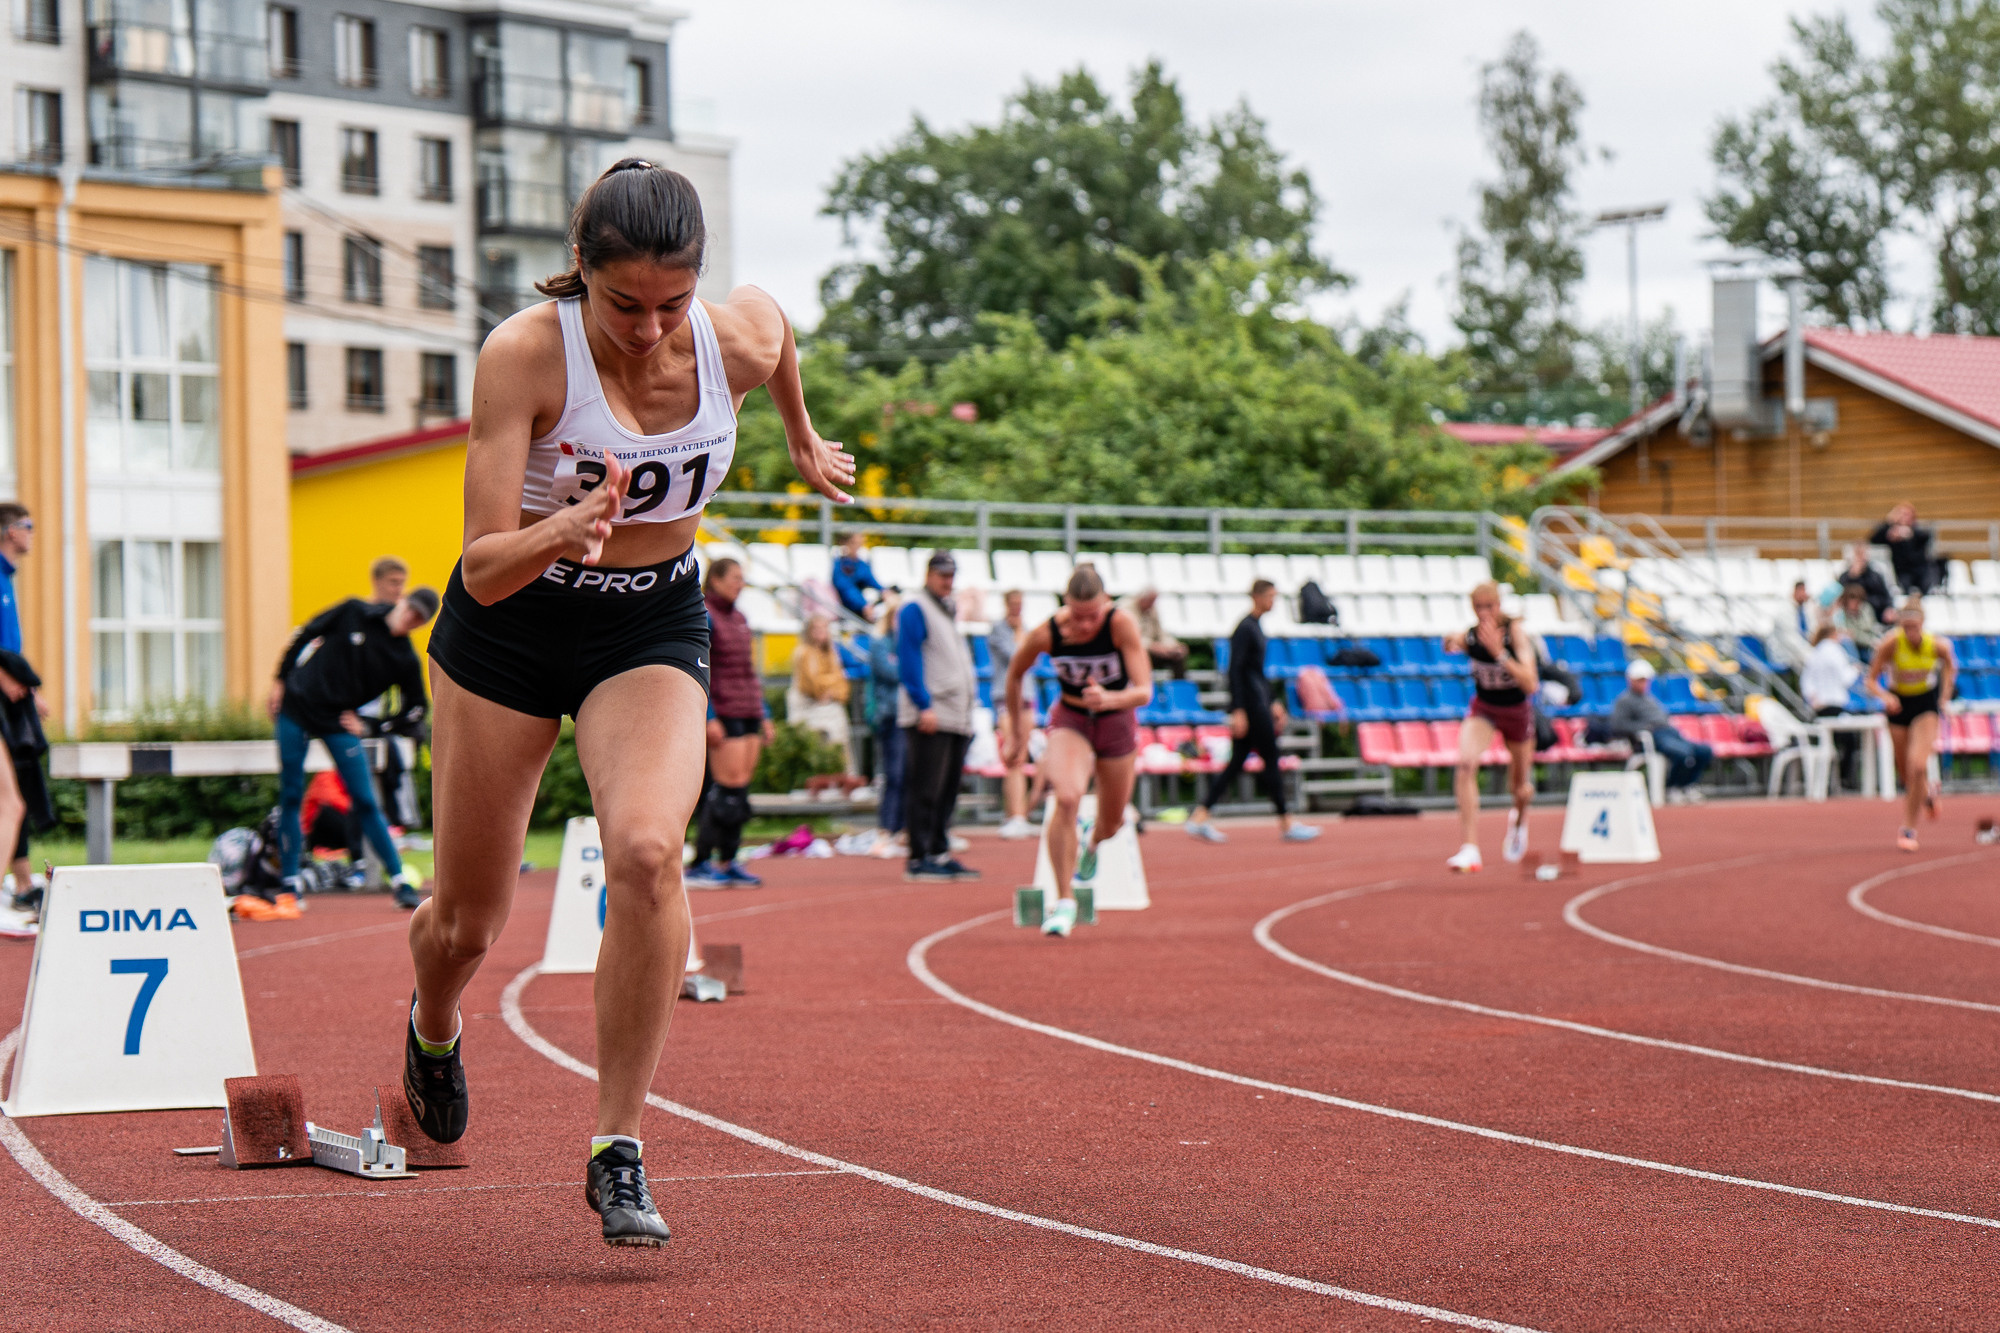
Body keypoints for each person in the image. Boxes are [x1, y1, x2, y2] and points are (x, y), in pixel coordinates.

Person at [410, 159, 855, 1247]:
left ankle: (618, 1145)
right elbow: (477, 569)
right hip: (509, 633)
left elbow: (778, 326)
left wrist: (797, 432)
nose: (649, 329)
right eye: (623, 305)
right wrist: (559, 530)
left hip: (645, 626)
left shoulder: (727, 341)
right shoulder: (524, 354)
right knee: (469, 921)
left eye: (670, 304)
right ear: (580, 273)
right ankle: (431, 1024)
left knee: (651, 853)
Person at [1002, 566, 1151, 938]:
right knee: (1067, 798)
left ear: (1106, 602)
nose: (1085, 626)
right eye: (1078, 617)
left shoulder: (1120, 624)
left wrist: (1110, 697)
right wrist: (1019, 737)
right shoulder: (1047, 632)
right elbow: (1014, 674)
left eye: (1093, 616)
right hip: (1071, 720)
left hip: (1116, 721)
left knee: (1113, 822)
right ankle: (1065, 900)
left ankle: (1094, 840)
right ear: (1066, 605)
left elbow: (1144, 690)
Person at [270, 590, 439, 908]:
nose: (410, 618)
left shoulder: (403, 658)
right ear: (402, 602)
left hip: (337, 721)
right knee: (291, 794)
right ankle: (289, 883)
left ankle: (400, 881)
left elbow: (416, 708)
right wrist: (279, 680)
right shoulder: (353, 611)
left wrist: (372, 725)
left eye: (419, 619)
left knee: (365, 800)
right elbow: (307, 632)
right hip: (295, 706)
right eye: (411, 610)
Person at [1184, 581, 1319, 845]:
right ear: (1256, 596)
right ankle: (1286, 821)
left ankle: (1201, 815)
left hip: (1258, 702)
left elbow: (1256, 672)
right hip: (1251, 706)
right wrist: (1239, 710)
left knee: (1237, 763)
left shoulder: (1256, 626)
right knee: (1270, 759)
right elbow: (1235, 670)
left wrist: (1272, 700)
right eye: (1270, 596)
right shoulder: (1245, 629)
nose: (1273, 602)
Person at [1440, 581, 1540, 872]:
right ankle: (1470, 848)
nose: (1484, 613)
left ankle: (1519, 822)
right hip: (1485, 709)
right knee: (1466, 765)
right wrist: (1450, 642)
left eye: (1489, 606)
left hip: (1517, 712)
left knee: (1520, 788)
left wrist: (1500, 655)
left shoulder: (1515, 634)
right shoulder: (1472, 635)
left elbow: (1530, 683)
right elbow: (1454, 640)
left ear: (1499, 606)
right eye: (1478, 607)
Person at [688, 557, 773, 888]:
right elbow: (701, 667)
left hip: (748, 708)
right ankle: (700, 862)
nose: (741, 583)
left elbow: (749, 670)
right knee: (724, 790)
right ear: (717, 580)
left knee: (740, 792)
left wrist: (764, 713)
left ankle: (729, 860)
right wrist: (709, 716)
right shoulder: (704, 614)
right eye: (736, 578)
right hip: (724, 711)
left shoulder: (739, 618)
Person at [898, 551, 981, 881]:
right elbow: (908, 659)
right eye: (942, 575)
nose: (947, 581)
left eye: (951, 575)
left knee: (947, 789)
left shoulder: (946, 610)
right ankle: (919, 857)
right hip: (933, 712)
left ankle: (939, 849)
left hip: (955, 713)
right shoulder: (915, 608)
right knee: (926, 787)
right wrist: (923, 705)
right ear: (928, 574)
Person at [1864, 597, 1956, 851]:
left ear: (1922, 624)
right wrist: (1885, 696)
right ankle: (1925, 795)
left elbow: (1950, 667)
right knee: (1905, 772)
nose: (1911, 632)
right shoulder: (1891, 644)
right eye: (1906, 627)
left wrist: (1944, 695)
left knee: (1917, 765)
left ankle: (1908, 828)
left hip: (1925, 705)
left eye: (1915, 627)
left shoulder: (1936, 646)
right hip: (1898, 705)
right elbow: (1870, 680)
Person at [0, 504, 51, 907]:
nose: (32, 532)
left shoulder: (7, 578)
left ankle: (21, 885)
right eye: (28, 526)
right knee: (10, 802)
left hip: (9, 700)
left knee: (14, 795)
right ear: (10, 531)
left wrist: (29, 692)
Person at [1607, 660, 1712, 803]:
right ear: (1631, 680)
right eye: (1640, 680)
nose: (1643, 683)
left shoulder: (1650, 698)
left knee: (1704, 751)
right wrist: (1644, 727)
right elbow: (1618, 725)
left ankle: (1687, 785)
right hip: (1652, 737)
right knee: (1683, 753)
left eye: (1645, 680)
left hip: (1670, 733)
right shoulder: (1624, 701)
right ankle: (1672, 787)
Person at [988, 589, 1034, 839]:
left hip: (1026, 698)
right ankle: (1015, 815)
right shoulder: (999, 630)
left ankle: (1019, 815)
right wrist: (1020, 634)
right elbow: (1017, 657)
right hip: (1005, 698)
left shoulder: (1025, 629)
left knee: (1022, 759)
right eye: (1014, 603)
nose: (1018, 607)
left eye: (1021, 603)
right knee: (1013, 756)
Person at [1799, 624, 1862, 790]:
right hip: (1836, 705)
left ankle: (1827, 782)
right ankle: (1844, 779)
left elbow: (1806, 683)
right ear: (1834, 634)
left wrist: (1814, 700)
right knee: (1850, 742)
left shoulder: (1813, 653)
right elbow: (1845, 679)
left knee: (1827, 745)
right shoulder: (1836, 651)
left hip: (1820, 707)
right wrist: (1855, 670)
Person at [868, 591, 907, 856]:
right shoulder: (880, 643)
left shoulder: (905, 646)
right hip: (889, 717)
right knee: (893, 774)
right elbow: (893, 673)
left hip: (906, 717)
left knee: (907, 775)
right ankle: (886, 829)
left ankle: (903, 829)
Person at [788, 613, 852, 770]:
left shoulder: (831, 653)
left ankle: (840, 775)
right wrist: (831, 683)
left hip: (830, 705)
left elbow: (843, 685)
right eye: (817, 628)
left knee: (840, 732)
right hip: (809, 709)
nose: (821, 632)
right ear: (809, 631)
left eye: (824, 628)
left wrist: (831, 690)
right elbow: (812, 686)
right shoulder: (803, 653)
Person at [1118, 586, 1188, 678]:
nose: (1152, 604)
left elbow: (1161, 633)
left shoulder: (1152, 609)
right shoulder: (1125, 609)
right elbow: (1127, 637)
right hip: (1133, 651)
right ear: (1142, 598)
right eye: (1151, 601)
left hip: (1151, 650)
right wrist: (1153, 646)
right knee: (1142, 656)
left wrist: (1173, 646)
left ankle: (1178, 689)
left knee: (1177, 657)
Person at [1871, 502, 1940, 595]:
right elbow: (1873, 540)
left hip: (1920, 570)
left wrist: (1909, 534)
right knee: (1903, 586)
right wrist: (1888, 522)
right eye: (1901, 514)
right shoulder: (1891, 532)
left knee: (1929, 582)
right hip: (1902, 571)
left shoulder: (1918, 532)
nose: (1903, 517)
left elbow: (1926, 537)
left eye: (1907, 514)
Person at [1835, 544, 1895, 624]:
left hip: (1876, 613)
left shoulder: (1875, 575)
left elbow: (1886, 595)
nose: (1861, 558)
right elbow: (1841, 594)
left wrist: (1889, 608)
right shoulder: (1845, 576)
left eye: (1863, 554)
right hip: (1851, 617)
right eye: (1858, 554)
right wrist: (1853, 576)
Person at [830, 531, 883, 621]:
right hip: (847, 606)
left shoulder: (861, 563)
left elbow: (871, 580)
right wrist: (863, 605)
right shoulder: (839, 565)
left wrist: (885, 591)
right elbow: (846, 588)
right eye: (853, 543)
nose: (857, 547)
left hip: (863, 605)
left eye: (859, 544)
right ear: (844, 543)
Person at [1768, 580, 1818, 672]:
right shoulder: (1784, 610)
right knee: (1813, 663)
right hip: (1784, 653)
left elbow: (1811, 631)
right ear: (1796, 591)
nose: (1805, 594)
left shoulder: (1804, 609)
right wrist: (1809, 654)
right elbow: (1790, 640)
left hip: (1800, 650)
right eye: (1802, 591)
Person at [1830, 585, 1885, 653]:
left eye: (1858, 601)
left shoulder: (1866, 608)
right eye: (1852, 601)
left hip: (1874, 640)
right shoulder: (1841, 615)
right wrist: (1871, 642)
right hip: (1858, 647)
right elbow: (1853, 634)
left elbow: (1872, 626)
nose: (1855, 604)